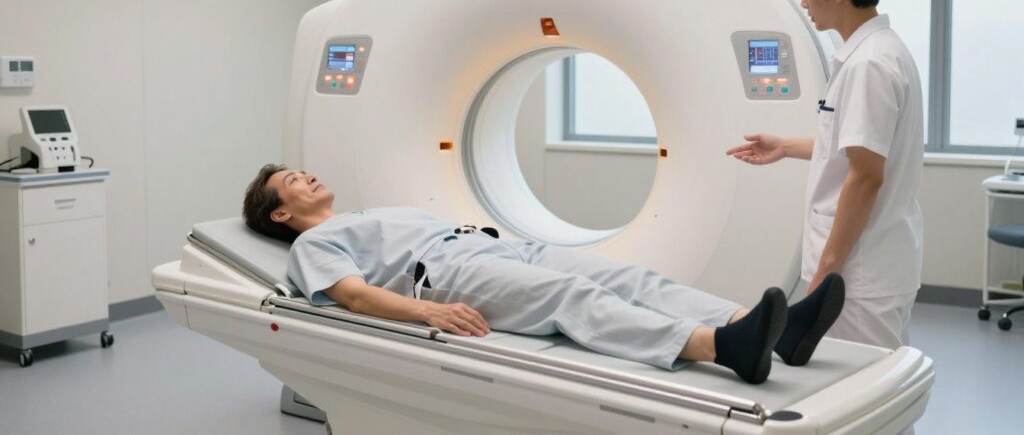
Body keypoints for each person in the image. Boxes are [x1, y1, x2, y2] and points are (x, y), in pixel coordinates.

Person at [242, 164, 846, 385]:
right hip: (447, 277)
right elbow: (351, 294)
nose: (308, 176)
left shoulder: (370, 212)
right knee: (571, 296)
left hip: (498, 248)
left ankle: (774, 330)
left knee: (628, 276)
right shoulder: (314, 244)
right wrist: (428, 312)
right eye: (292, 181)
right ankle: (722, 347)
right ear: (281, 213)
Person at [727, 0, 924, 352]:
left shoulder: (869, 64)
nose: (804, 3)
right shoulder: (876, 52)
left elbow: (866, 176)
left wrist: (825, 276)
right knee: (868, 390)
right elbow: (853, 149)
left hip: (858, 276)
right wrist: (784, 146)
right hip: (870, 266)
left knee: (865, 393)